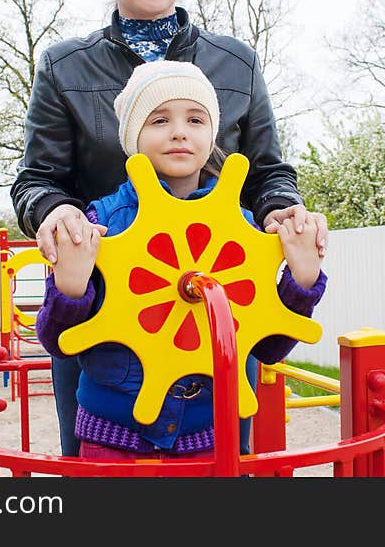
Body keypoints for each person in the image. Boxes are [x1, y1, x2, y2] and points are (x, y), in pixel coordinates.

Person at [10, 0, 328, 457]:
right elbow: (38, 177)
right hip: (106, 320)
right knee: (98, 465)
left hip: (215, 318)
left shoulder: (235, 63)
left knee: (222, 462)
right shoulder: (65, 68)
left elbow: (267, 170)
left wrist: (282, 208)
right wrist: (57, 213)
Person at [34, 60, 327, 460]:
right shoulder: (99, 225)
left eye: (195, 119)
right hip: (113, 439)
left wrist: (303, 282)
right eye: (158, 120)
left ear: (212, 134)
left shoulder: (240, 228)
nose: (178, 132)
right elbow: (57, 341)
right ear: (131, 136)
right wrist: (70, 287)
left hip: (206, 438)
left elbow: (270, 347)